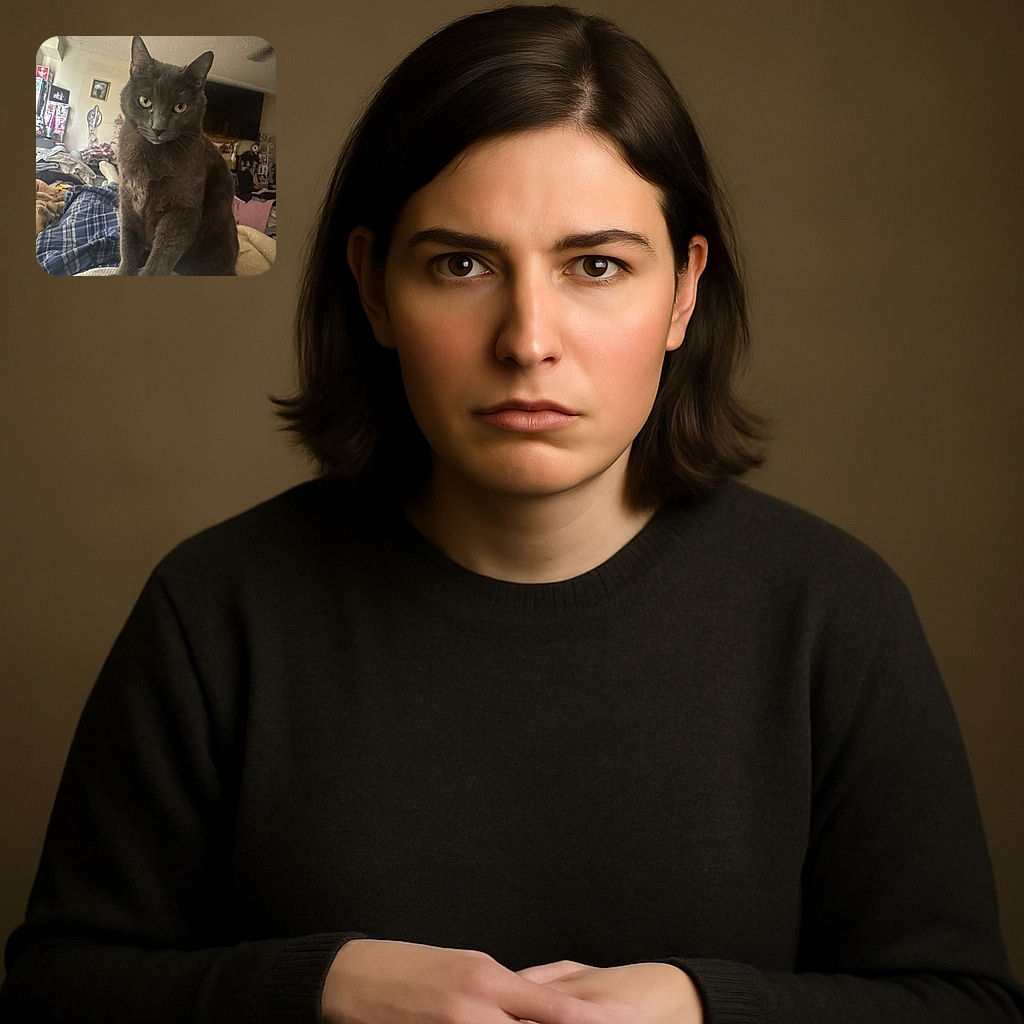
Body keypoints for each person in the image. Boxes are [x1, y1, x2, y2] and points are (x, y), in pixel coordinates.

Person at [2, 6, 1022, 1023]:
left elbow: (962, 1003)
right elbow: (56, 989)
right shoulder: (216, 613)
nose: (528, 339)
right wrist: (315, 989)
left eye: (595, 265)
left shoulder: (836, 617)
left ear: (682, 295)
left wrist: (704, 1010)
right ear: (371, 289)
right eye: (461, 264)